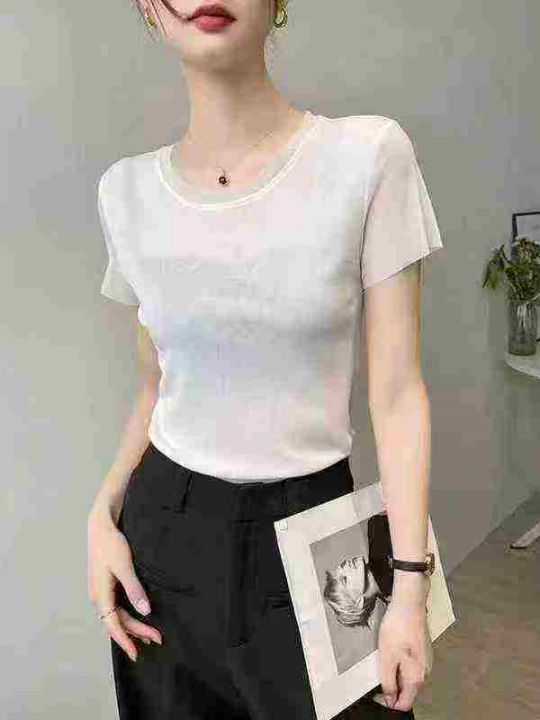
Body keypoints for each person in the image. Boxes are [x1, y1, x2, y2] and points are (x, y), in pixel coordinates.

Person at [86, 1, 444, 718]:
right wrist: (101, 515)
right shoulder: (124, 193)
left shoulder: (368, 156)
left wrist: (409, 585)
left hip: (318, 526)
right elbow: (154, 387)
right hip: (163, 536)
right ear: (149, 8)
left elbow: (398, 393)